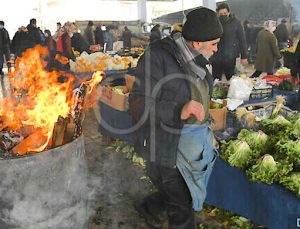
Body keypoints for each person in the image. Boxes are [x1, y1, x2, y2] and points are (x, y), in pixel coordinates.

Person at [129, 7, 222, 229]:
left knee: (174, 194)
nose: (217, 49)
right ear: (197, 42)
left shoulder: (196, 60)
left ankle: (147, 207)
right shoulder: (157, 57)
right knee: (182, 208)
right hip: (163, 146)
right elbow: (137, 105)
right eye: (214, 44)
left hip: (188, 144)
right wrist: (178, 110)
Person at [210, 3, 248, 80]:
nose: (223, 15)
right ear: (218, 13)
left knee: (231, 79)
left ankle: (231, 91)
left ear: (229, 12)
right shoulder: (214, 22)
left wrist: (244, 56)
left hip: (230, 57)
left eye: (225, 13)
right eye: (221, 14)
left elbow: (242, 40)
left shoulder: (236, 23)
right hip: (216, 57)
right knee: (215, 80)